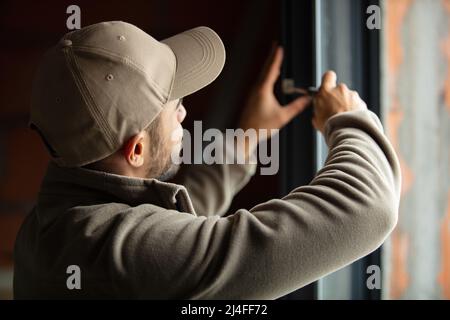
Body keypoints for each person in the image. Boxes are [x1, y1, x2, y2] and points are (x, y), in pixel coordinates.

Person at [13, 21, 401, 299]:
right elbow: (366, 210)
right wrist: (346, 119)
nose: (183, 113)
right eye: (174, 104)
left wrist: (246, 141)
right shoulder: (115, 255)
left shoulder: (53, 225)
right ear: (136, 150)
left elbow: (171, 233)